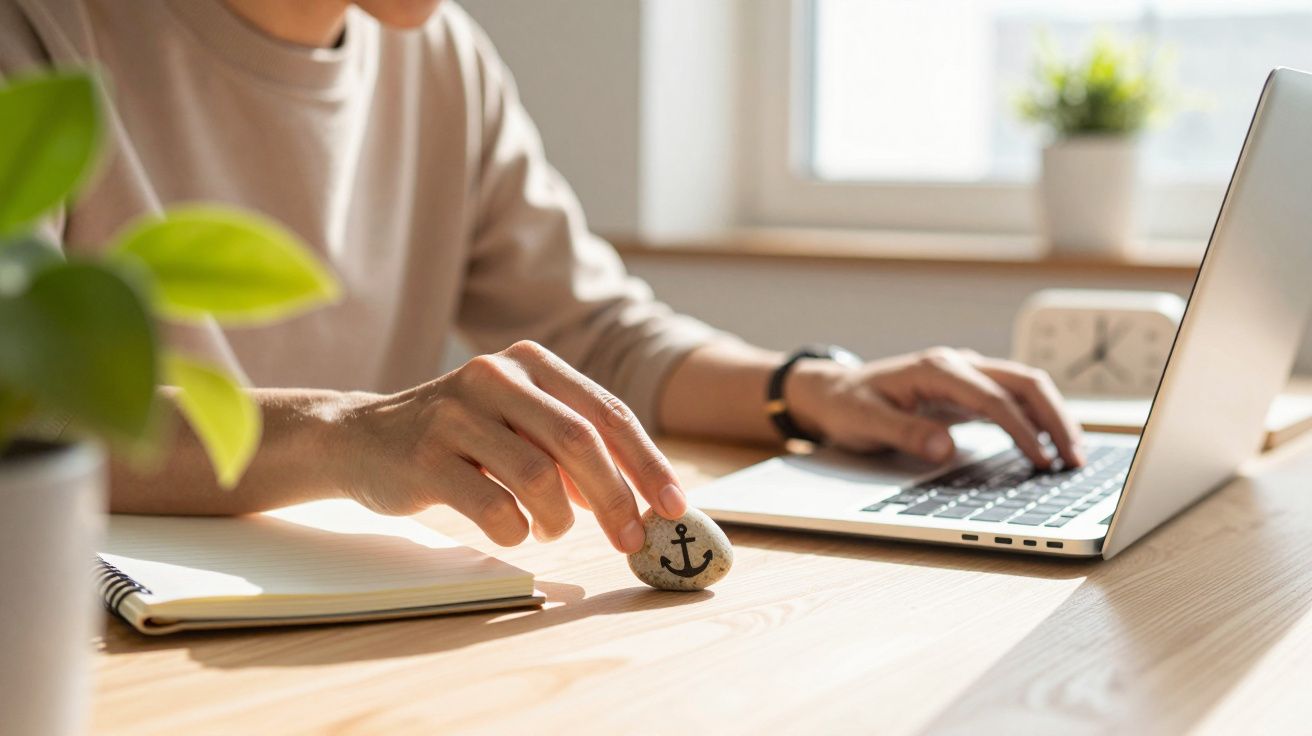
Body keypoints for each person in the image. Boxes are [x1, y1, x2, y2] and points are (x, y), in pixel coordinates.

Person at [0, 0, 1083, 555]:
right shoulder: (40, 34)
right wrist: (348, 431)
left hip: (359, 619)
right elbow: (17, 421)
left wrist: (802, 385)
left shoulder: (440, 59)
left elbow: (595, 328)